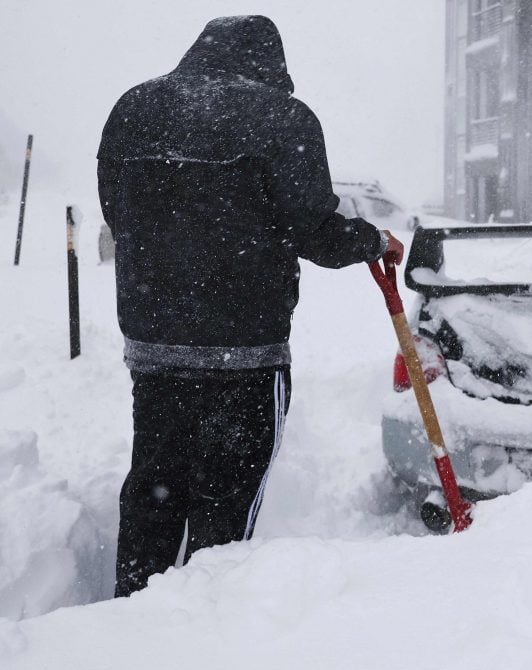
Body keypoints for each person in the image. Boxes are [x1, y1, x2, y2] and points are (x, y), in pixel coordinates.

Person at [97, 15, 404, 597]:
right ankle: (209, 621)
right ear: (270, 62)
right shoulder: (281, 118)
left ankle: (128, 616)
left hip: (155, 349)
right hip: (244, 352)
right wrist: (371, 239)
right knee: (227, 499)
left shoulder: (131, 110)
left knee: (153, 490)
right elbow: (314, 231)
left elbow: (120, 217)